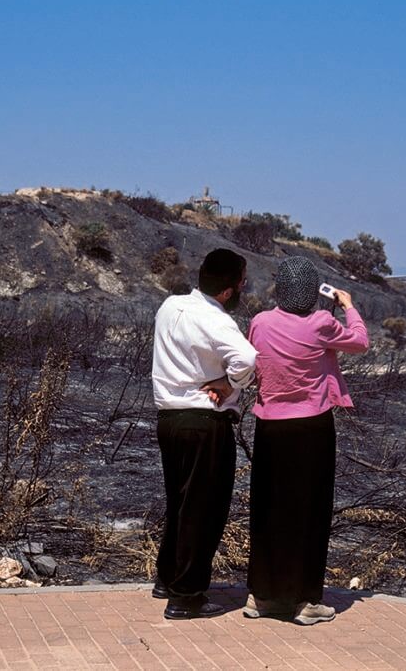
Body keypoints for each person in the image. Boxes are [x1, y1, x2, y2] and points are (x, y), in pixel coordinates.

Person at [243, 256, 369, 625]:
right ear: (314, 291)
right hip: (311, 427)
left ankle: (262, 596)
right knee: (309, 513)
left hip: (269, 427)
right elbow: (360, 342)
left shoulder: (259, 322)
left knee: (268, 510)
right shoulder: (322, 322)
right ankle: (305, 600)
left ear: (280, 288)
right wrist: (348, 307)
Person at [151, 248, 258, 619]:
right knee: (204, 509)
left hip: (168, 419)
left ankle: (167, 577)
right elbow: (248, 359)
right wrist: (230, 383)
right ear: (229, 290)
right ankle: (187, 595)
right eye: (242, 282)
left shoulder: (169, 306)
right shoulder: (218, 319)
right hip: (204, 421)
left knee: (179, 502)